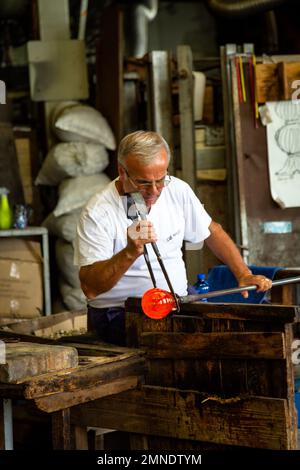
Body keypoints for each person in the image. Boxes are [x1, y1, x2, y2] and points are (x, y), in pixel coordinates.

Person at [74, 130, 272, 345]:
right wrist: (130, 253)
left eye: (160, 180)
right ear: (122, 172)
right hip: (120, 316)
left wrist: (243, 274)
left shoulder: (177, 190)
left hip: (177, 303)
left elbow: (211, 231)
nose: (155, 191)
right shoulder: (98, 212)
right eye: (143, 183)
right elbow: (91, 288)